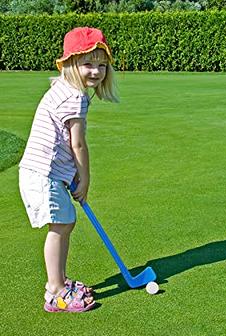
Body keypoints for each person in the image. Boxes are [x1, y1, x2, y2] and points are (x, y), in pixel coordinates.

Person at [19, 27, 119, 312]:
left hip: (45, 171)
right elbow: (77, 144)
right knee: (61, 225)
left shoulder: (62, 88)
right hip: (42, 174)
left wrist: (70, 172)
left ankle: (59, 281)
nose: (96, 71)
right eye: (88, 63)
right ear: (70, 64)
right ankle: (55, 290)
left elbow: (61, 140)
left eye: (102, 65)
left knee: (65, 222)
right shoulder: (74, 98)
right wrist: (84, 177)